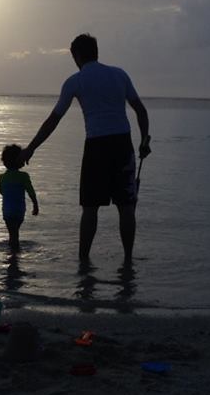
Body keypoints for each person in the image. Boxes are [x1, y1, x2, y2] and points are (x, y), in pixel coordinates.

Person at [21, 33, 150, 266]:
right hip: (123, 143)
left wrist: (31, 148)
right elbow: (140, 110)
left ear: (76, 56)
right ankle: (128, 261)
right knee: (126, 207)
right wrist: (144, 141)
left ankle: (83, 261)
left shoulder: (75, 81)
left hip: (97, 147)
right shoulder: (120, 75)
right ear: (96, 51)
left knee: (90, 208)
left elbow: (54, 119)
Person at [0, 144, 39, 252]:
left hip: (7, 211)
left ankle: (12, 256)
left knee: (12, 233)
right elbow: (31, 192)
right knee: (15, 233)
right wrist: (35, 204)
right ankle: (14, 255)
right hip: (19, 211)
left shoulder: (2, 177)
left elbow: (1, 191)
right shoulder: (24, 176)